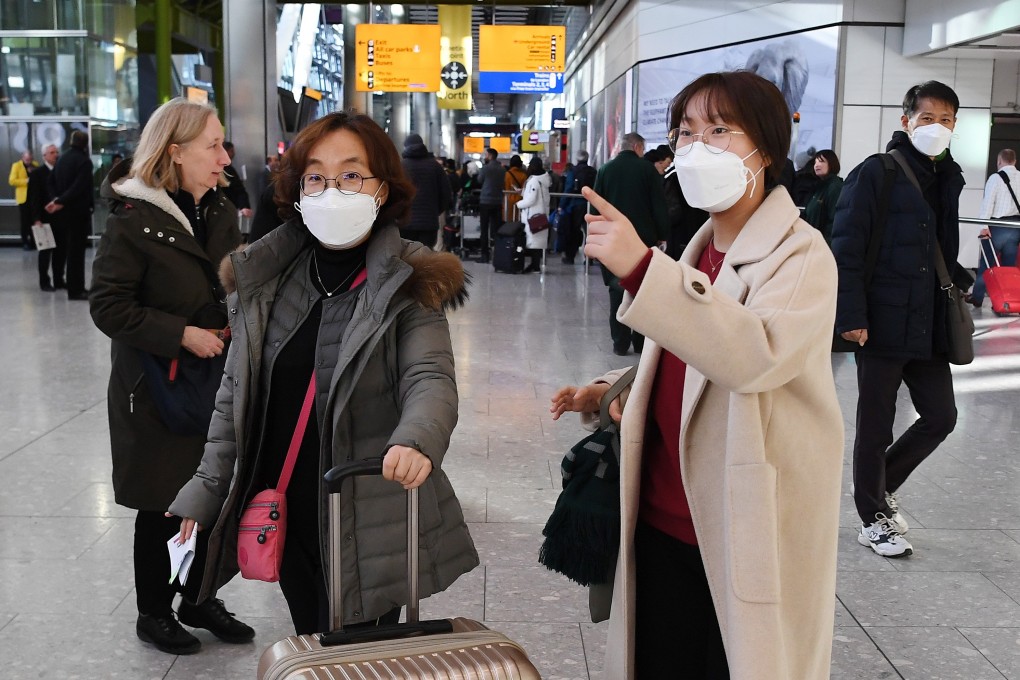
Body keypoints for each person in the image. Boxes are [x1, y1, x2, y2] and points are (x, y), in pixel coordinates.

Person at [551, 71, 843, 680]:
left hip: (740, 528)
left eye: (718, 131)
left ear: (766, 149)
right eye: (686, 134)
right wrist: (620, 389)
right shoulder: (701, 243)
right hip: (662, 519)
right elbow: (690, 357)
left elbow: (753, 356)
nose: (696, 149)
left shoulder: (802, 253)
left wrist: (639, 270)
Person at [168, 111, 479, 638]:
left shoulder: (409, 279)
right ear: (297, 189)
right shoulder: (266, 281)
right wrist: (205, 490)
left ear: (383, 189)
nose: (333, 190)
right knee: (312, 639)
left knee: (358, 654)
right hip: (288, 506)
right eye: (317, 176)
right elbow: (234, 395)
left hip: (368, 507)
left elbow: (429, 376)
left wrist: (416, 440)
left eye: (352, 175)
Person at [88, 98, 252, 655]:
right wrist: (181, 333)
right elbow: (108, 307)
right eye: (213, 145)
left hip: (213, 380)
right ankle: (153, 611)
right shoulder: (134, 220)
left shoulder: (219, 210)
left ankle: (198, 596)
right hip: (155, 387)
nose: (224, 155)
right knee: (162, 500)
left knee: (210, 492)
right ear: (175, 151)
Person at [832, 80, 966, 558]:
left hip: (928, 322)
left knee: (942, 416)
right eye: (927, 118)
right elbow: (845, 245)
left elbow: (937, 247)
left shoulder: (949, 176)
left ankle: (879, 487)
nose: (936, 127)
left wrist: (959, 278)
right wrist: (851, 313)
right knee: (876, 424)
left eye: (946, 120)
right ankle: (873, 519)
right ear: (906, 120)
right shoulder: (878, 172)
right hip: (882, 321)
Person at [592, 131, 669, 355]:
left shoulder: (606, 170)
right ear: (637, 147)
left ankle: (619, 342)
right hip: (642, 241)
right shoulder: (647, 170)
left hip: (612, 240)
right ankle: (640, 341)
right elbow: (659, 205)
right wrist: (662, 233)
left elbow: (597, 206)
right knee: (642, 291)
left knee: (617, 291)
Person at [966, 148, 1020, 308]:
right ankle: (1007, 301)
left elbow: (988, 204)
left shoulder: (995, 179)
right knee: (1009, 267)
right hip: (1015, 227)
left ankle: (977, 298)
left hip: (997, 227)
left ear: (999, 161)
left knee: (987, 264)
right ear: (1014, 161)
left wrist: (983, 226)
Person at [46, 130, 94, 300]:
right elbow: (79, 187)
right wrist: (61, 201)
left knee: (66, 250)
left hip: (63, 214)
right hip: (78, 213)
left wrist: (57, 200)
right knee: (76, 253)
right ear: (85, 143)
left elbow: (50, 182)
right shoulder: (84, 161)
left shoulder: (62, 159)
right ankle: (76, 289)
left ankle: (68, 284)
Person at [400, 133, 452, 247]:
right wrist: (435, 211)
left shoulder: (400, 166)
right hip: (429, 223)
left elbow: (394, 193)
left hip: (405, 223)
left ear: (406, 147)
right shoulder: (435, 166)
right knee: (426, 259)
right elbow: (446, 194)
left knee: (406, 258)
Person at [28, 144, 63, 290]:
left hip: (60, 218)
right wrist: (36, 219)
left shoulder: (62, 171)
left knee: (60, 252)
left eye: (56, 152)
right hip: (43, 219)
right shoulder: (37, 174)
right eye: (52, 152)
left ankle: (59, 279)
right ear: (45, 156)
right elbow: (33, 198)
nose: (55, 155)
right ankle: (44, 281)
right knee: (45, 252)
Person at [559, 150, 597, 265]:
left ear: (577, 159)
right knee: (590, 232)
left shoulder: (573, 171)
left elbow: (569, 188)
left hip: (575, 205)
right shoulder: (593, 171)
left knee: (573, 231)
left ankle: (570, 256)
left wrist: (562, 205)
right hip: (590, 204)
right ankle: (589, 258)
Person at [516, 156, 552, 273]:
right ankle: (534, 265)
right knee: (537, 241)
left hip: (533, 215)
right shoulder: (543, 180)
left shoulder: (534, 181)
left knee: (533, 241)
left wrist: (519, 204)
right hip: (541, 214)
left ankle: (534, 266)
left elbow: (531, 199)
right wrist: (522, 192)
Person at [802, 149, 844, 243]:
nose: (816, 165)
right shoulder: (818, 187)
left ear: (831, 163)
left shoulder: (834, 187)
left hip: (824, 244)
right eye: (815, 162)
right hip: (812, 241)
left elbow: (834, 220)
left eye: (821, 161)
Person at [475, 147, 505, 263]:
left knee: (484, 229)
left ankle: (485, 255)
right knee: (496, 229)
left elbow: (479, 180)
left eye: (486, 155)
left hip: (485, 201)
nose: (485, 156)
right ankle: (498, 253)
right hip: (497, 201)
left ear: (490, 156)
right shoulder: (502, 170)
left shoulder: (486, 168)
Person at [9, 149, 38, 249]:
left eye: (30, 159)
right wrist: (26, 181)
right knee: (25, 221)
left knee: (34, 220)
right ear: (23, 158)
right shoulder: (16, 166)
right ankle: (25, 242)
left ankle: (34, 241)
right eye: (26, 160)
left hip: (33, 197)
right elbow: (12, 181)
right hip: (23, 197)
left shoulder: (35, 165)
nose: (28, 161)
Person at [221, 141, 252, 218]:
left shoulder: (229, 169)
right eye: (231, 151)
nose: (234, 154)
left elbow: (239, 190)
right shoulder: (226, 170)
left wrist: (244, 206)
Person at [504, 155, 528, 221]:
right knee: (518, 220)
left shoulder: (507, 174)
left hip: (508, 201)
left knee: (508, 220)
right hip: (520, 201)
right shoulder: (524, 175)